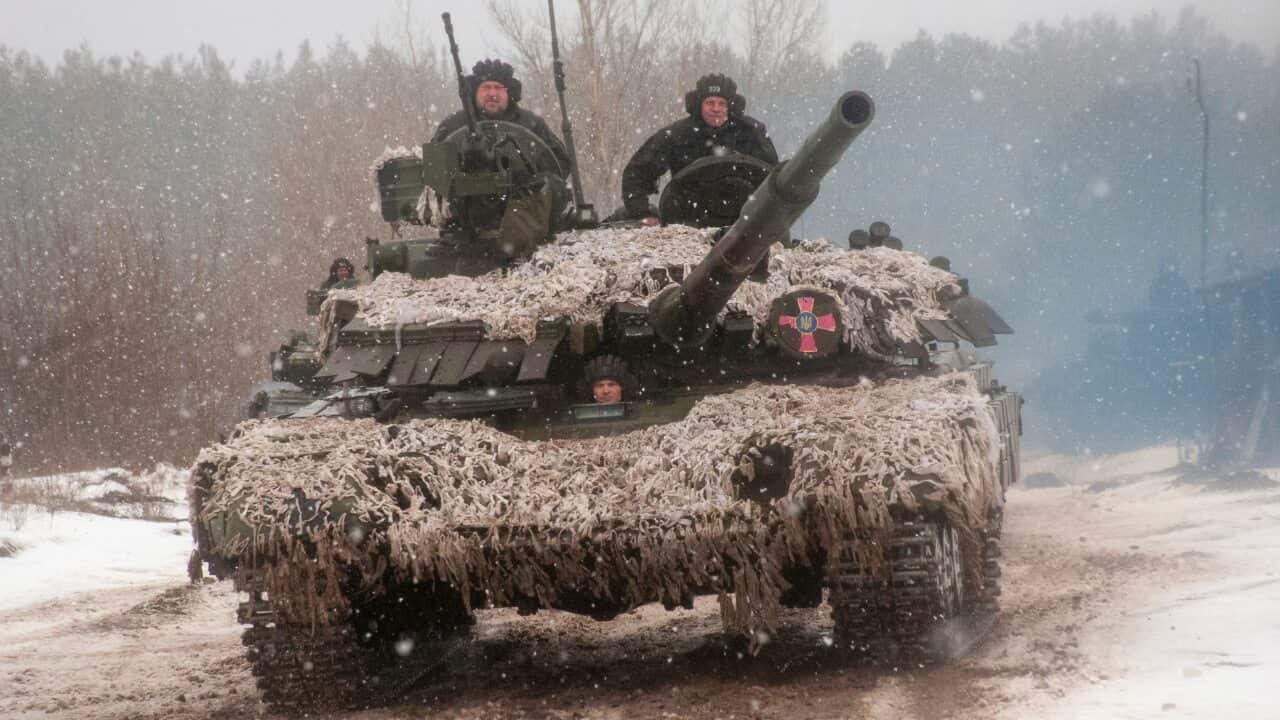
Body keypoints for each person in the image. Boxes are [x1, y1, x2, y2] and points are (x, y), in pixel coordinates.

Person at [621, 74, 778, 225]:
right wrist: (642, 213)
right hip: (687, 222)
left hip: (743, 222)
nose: (716, 109)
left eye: (722, 103)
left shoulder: (751, 132)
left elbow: (773, 177)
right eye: (710, 102)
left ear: (730, 106)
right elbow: (637, 172)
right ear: (699, 104)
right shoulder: (678, 135)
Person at [431, 59, 571, 175]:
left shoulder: (532, 124)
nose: (492, 93)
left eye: (498, 87)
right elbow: (432, 171)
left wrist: (532, 180)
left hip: (524, 201)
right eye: (486, 87)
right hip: (467, 204)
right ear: (474, 93)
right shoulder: (452, 125)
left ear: (509, 93)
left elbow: (560, 164)